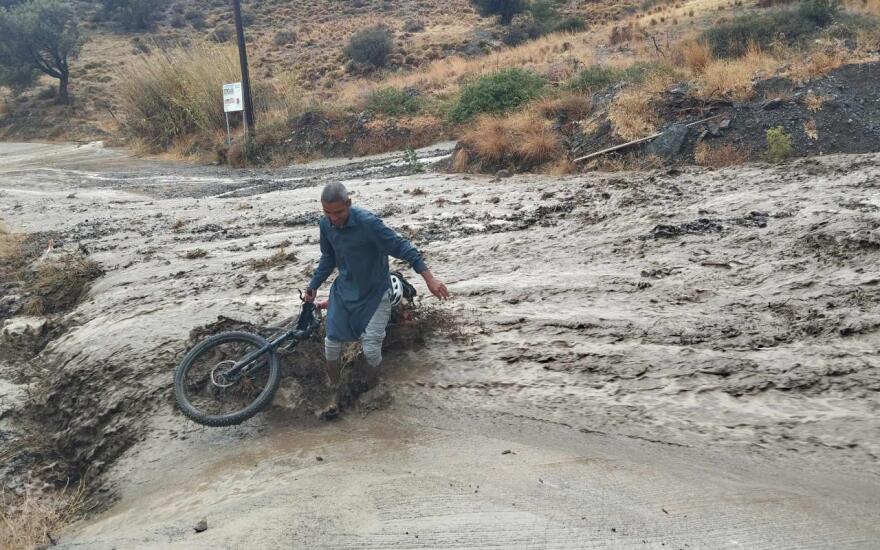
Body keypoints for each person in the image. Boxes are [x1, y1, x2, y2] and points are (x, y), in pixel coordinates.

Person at [304, 182, 449, 389]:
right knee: (331, 344)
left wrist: (430, 279)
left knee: (371, 348)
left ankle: (373, 388)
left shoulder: (369, 224)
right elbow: (328, 258)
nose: (333, 218)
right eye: (328, 213)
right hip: (344, 292)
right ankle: (334, 388)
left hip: (375, 293)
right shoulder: (325, 225)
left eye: (338, 212)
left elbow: (402, 247)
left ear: (349, 203)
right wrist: (314, 285)